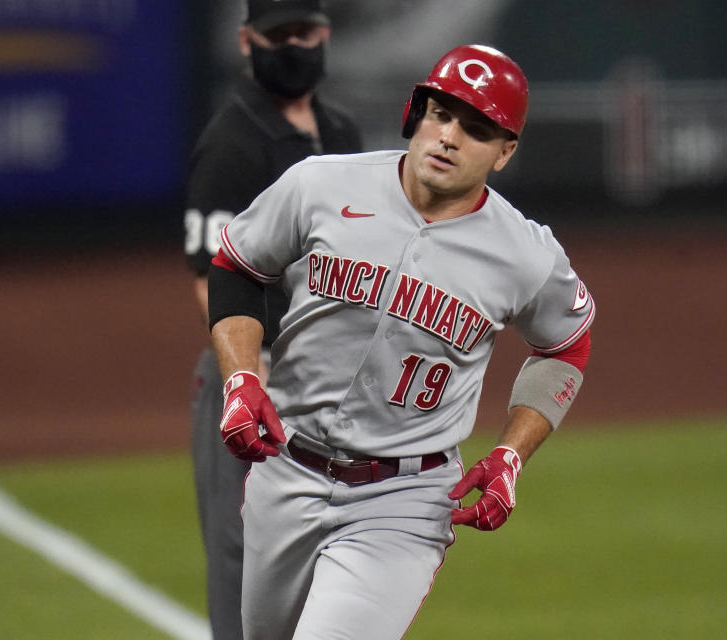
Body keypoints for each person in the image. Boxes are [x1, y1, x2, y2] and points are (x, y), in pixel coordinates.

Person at [207, 44, 595, 640]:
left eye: (475, 128)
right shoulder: (321, 185)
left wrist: (513, 452)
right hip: (285, 470)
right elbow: (238, 264)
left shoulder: (526, 254)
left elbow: (566, 345)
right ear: (416, 114)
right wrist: (240, 377)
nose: (448, 136)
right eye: (440, 114)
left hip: (405, 499)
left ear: (505, 152)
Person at [182, 1, 362, 638]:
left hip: (327, 387)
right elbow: (212, 278)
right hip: (252, 383)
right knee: (242, 559)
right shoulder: (233, 143)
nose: (294, 45)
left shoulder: (340, 135)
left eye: (304, 32)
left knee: (331, 556)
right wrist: (247, 375)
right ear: (246, 41)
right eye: (278, 34)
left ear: (326, 35)